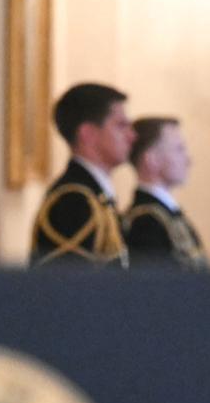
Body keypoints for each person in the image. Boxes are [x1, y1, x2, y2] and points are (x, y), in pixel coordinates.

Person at [30, 83, 133, 268]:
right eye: (121, 126)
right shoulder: (73, 200)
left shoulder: (93, 194)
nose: (132, 136)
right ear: (88, 134)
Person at [124, 117, 207, 269]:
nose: (188, 159)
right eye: (179, 149)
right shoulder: (146, 221)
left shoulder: (166, 213)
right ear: (152, 159)